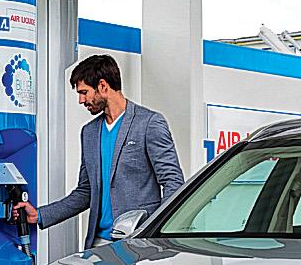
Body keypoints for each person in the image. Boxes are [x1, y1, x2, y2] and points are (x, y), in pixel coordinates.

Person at [13, 54, 185, 248]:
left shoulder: (149, 123)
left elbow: (173, 181)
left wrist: (158, 232)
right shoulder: (89, 132)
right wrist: (40, 215)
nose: (81, 100)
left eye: (84, 92)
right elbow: (85, 192)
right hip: (98, 243)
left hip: (139, 244)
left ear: (103, 86)